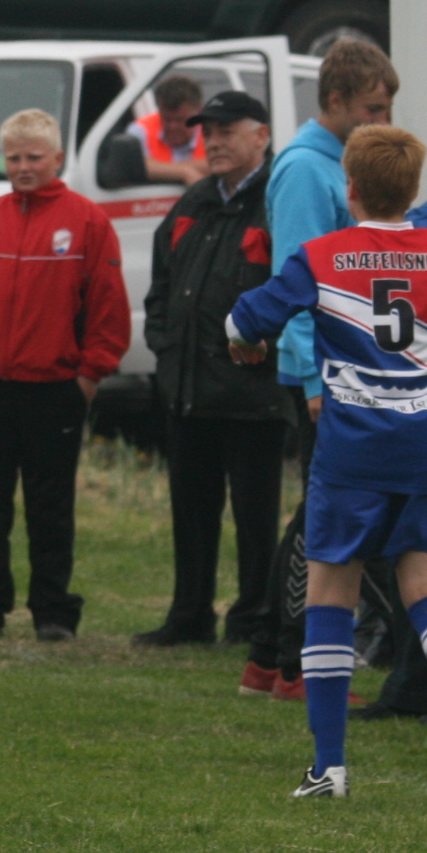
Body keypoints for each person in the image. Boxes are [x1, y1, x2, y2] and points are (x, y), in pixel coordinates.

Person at [225, 125, 427, 798]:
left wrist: (246, 345)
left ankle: (329, 767)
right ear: (414, 187)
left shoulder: (322, 256)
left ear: (349, 187)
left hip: (353, 451)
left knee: (331, 593)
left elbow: (243, 322)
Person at [0, 108, 130, 642]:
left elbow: (108, 307)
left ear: (57, 158)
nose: (23, 167)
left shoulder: (88, 222)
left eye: (34, 157)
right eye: (13, 158)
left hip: (54, 388)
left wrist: (89, 376)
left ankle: (53, 612)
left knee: (51, 507)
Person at [249, 38, 397, 700]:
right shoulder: (309, 170)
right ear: (334, 101)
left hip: (341, 369)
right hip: (324, 373)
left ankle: (269, 658)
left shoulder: (334, 161)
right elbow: (301, 279)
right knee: (323, 520)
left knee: (318, 513)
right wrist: (313, 379)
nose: (380, 121)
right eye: (372, 109)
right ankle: (292, 664)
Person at [135, 90, 282, 647]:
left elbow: (294, 289)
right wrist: (164, 344)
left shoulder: (277, 201)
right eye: (208, 133)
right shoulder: (194, 202)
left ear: (261, 136)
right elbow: (161, 285)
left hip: (253, 395)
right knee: (192, 514)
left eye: (226, 131)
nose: (214, 142)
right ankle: (189, 617)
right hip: (188, 389)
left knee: (255, 517)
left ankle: (252, 620)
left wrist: (267, 356)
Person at [134, 72, 209, 188]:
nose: (172, 126)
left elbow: (226, 164)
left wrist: (161, 170)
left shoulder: (212, 131)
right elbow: (136, 166)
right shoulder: (141, 130)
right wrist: (184, 172)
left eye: (180, 120)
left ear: (198, 112)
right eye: (166, 119)